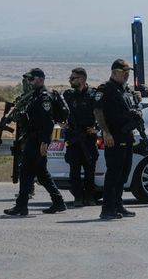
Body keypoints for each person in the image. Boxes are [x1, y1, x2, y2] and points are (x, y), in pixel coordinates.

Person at [4, 68, 67, 216]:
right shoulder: (35, 96)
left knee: (26, 171)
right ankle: (58, 202)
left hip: (38, 139)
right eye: (28, 79)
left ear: (40, 79)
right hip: (35, 137)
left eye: (32, 79)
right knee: (41, 172)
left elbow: (48, 122)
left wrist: (45, 142)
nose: (29, 81)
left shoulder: (44, 98)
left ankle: (21, 206)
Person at [93, 59, 141, 220]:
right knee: (113, 172)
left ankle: (117, 205)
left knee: (124, 172)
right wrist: (106, 133)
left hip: (126, 135)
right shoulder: (106, 89)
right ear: (114, 72)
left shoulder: (125, 89)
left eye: (128, 71)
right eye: (123, 71)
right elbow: (98, 112)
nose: (127, 74)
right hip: (113, 135)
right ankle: (107, 208)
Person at [62, 67, 99, 208]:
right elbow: (58, 111)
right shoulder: (68, 95)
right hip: (73, 139)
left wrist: (97, 129)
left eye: (73, 78)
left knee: (90, 170)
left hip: (88, 138)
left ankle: (90, 197)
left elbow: (104, 114)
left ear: (82, 79)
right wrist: (61, 123)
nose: (70, 80)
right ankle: (78, 197)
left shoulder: (93, 95)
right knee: (74, 172)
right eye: (70, 78)